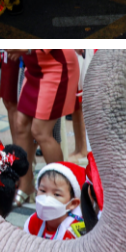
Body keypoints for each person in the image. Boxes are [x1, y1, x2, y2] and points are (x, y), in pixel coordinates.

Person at [12, 50, 81, 193]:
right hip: (33, 67)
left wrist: (24, 48)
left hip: (56, 65)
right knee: (20, 124)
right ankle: (25, 186)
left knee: (40, 131)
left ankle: (61, 187)